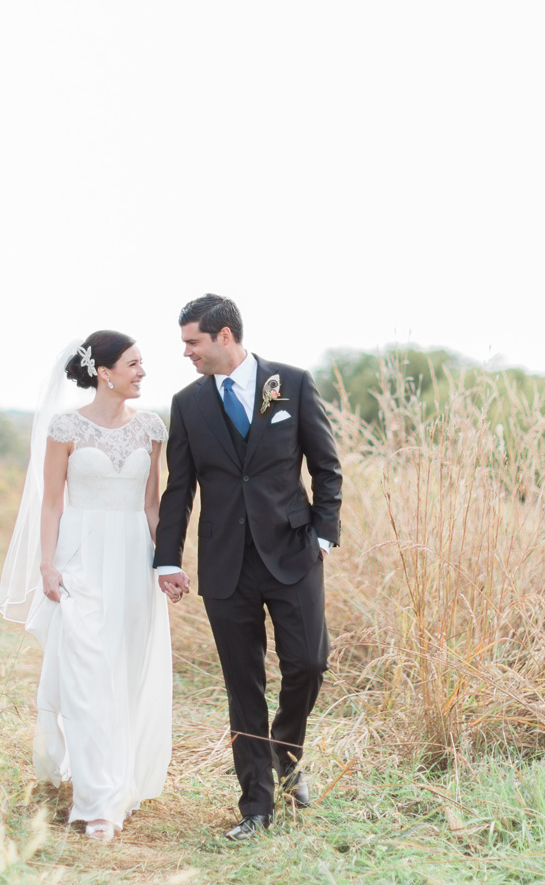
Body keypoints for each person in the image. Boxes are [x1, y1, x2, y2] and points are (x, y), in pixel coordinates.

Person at [154, 294, 343, 840]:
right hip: (225, 564)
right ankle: (256, 806)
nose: (186, 352)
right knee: (243, 685)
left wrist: (324, 536)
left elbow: (326, 467)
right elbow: (180, 488)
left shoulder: (293, 383)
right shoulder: (187, 403)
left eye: (193, 341)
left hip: (293, 553)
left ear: (225, 336)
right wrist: (168, 557)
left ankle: (286, 754)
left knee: (308, 662)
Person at [0, 330, 176, 842]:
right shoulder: (66, 427)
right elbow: (51, 502)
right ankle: (97, 802)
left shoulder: (151, 428)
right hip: (80, 560)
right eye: (134, 364)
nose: (142, 372)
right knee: (87, 672)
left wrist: (165, 564)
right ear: (104, 372)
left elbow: (151, 505)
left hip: (134, 562)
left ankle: (120, 781)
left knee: (124, 671)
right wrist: (47, 566)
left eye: (143, 364)